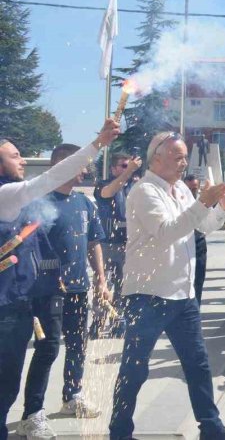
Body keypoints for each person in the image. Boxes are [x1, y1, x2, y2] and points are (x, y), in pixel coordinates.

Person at [109, 131, 225, 440]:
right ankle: (119, 432)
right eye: (178, 157)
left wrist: (223, 206)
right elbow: (166, 232)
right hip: (147, 296)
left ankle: (211, 427)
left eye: (185, 157)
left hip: (182, 296)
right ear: (156, 158)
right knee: (135, 369)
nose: (184, 162)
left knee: (198, 364)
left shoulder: (182, 190)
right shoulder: (144, 191)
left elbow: (203, 226)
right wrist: (204, 201)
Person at [0, 118, 119, 440]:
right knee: (33, 358)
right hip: (33, 295)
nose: (23, 161)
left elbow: (92, 242)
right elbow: (47, 182)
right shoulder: (19, 198)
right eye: (15, 155)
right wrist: (98, 143)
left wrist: (100, 279)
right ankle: (33, 413)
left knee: (67, 347)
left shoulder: (81, 203)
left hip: (54, 292)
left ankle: (70, 395)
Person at [93, 151, 141, 337]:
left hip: (128, 245)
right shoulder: (104, 184)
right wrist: (128, 173)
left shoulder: (134, 187)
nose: (128, 169)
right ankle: (98, 321)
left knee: (123, 287)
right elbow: (109, 192)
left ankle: (118, 321)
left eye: (129, 166)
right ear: (113, 169)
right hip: (106, 244)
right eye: (124, 166)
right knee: (102, 284)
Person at [184, 174, 209, 305]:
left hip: (199, 242)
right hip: (183, 244)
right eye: (189, 188)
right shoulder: (179, 200)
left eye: (194, 188)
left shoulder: (202, 199)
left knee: (198, 280)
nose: (191, 191)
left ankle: (196, 307)